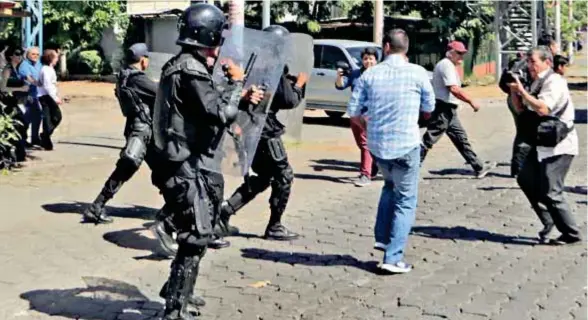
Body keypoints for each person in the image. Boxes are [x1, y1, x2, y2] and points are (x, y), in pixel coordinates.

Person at [151, 4, 263, 319]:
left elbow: (204, 107)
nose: (218, 48)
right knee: (197, 232)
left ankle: (178, 292)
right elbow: (219, 113)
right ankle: (174, 308)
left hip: (189, 160)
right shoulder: (190, 69)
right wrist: (238, 83)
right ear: (208, 35)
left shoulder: (185, 64)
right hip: (184, 164)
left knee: (199, 230)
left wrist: (238, 96)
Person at [348, 29, 435, 274]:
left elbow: (353, 111)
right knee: (406, 200)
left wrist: (368, 126)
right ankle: (392, 257)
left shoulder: (370, 74)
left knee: (389, 186)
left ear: (386, 47)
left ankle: (383, 237)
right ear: (406, 48)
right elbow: (429, 107)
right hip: (407, 144)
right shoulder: (418, 73)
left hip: (378, 147)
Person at [215, 24, 309, 244]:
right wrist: (300, 85)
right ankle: (275, 226)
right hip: (266, 133)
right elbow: (288, 100)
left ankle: (226, 211)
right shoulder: (274, 66)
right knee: (284, 176)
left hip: (249, 129)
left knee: (263, 176)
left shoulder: (252, 60)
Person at [508, 46, 581, 245]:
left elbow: (542, 108)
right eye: (528, 62)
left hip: (559, 144)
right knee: (525, 178)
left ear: (547, 62)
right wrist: (514, 91)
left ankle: (571, 234)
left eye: (533, 62)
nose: (530, 66)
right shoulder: (534, 81)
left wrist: (523, 91)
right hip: (539, 142)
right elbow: (521, 110)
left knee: (551, 190)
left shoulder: (554, 82)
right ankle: (549, 220)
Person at [82, 43, 158, 224]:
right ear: (142, 59)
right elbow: (160, 93)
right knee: (130, 167)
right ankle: (96, 206)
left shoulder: (124, 75)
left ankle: (97, 205)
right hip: (142, 130)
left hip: (136, 127)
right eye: (147, 58)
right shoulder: (137, 78)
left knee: (152, 169)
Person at [420, 41, 496, 178]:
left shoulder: (449, 65)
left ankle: (478, 166)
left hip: (449, 109)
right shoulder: (446, 65)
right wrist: (471, 101)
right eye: (459, 53)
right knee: (429, 139)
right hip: (443, 108)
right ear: (450, 53)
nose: (462, 56)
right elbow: (453, 89)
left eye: (463, 53)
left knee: (461, 139)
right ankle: (411, 167)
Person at [335, 47, 379, 187]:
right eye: (365, 58)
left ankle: (365, 174)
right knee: (362, 145)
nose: (368, 61)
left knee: (365, 144)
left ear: (376, 60)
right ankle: (374, 165)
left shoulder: (380, 75)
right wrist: (339, 76)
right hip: (355, 114)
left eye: (371, 58)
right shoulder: (356, 74)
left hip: (371, 114)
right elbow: (340, 86)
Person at [0, 47, 28, 162]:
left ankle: (18, 154)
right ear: (10, 56)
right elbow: (2, 88)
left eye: (21, 54)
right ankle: (13, 154)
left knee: (22, 126)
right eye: (17, 54)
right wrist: (21, 88)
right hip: (7, 103)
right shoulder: (8, 69)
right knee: (18, 126)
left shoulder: (17, 69)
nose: (20, 56)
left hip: (15, 101)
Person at [37, 49, 63, 150]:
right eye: (56, 57)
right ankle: (45, 136)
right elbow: (47, 85)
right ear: (50, 58)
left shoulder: (48, 69)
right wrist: (55, 98)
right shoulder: (46, 69)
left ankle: (45, 137)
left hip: (47, 95)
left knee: (50, 118)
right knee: (55, 117)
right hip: (46, 96)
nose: (57, 59)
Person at [18, 46, 43, 147]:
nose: (35, 56)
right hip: (26, 95)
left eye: (37, 54)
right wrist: (39, 84)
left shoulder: (39, 64)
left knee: (37, 116)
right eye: (33, 54)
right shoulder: (24, 65)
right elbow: (30, 78)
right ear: (27, 55)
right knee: (27, 117)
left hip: (36, 95)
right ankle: (22, 139)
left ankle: (35, 138)